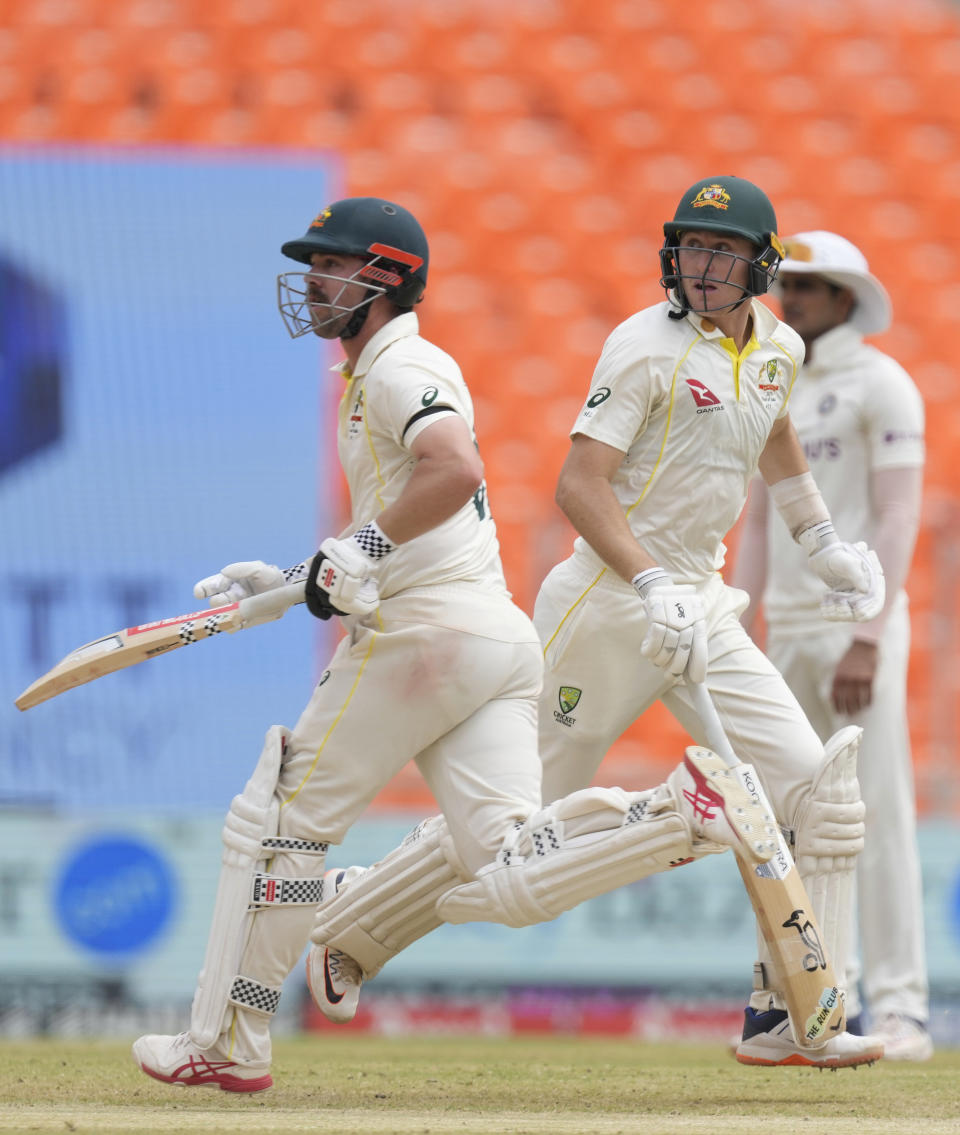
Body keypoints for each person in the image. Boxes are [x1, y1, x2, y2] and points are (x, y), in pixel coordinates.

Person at [130, 196, 762, 1093]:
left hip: (421, 637)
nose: (312, 280)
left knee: (283, 825)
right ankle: (669, 817)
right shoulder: (383, 371)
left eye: (331, 264)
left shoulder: (401, 363)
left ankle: (229, 1039)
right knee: (503, 860)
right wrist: (285, 575)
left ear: (384, 279)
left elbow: (455, 467)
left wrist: (360, 552)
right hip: (495, 639)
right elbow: (407, 518)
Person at [306, 177, 888, 1070]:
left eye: (722, 251)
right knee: (514, 835)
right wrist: (650, 580)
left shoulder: (776, 347)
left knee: (812, 789)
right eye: (693, 247)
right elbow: (578, 485)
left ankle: (785, 1014)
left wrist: (824, 544)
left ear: (760, 262)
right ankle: (351, 925)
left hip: (704, 602)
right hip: (606, 604)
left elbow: (776, 444)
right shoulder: (643, 346)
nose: (702, 266)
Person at [730, 231, 931, 1061]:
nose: (792, 296)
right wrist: (738, 624)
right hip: (784, 628)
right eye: (788, 282)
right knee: (788, 820)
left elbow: (895, 517)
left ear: (846, 298)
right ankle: (809, 1005)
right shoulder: (769, 377)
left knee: (874, 814)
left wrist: (869, 636)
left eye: (809, 285)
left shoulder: (881, 384)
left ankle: (904, 1007)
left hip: (854, 633)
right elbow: (757, 523)